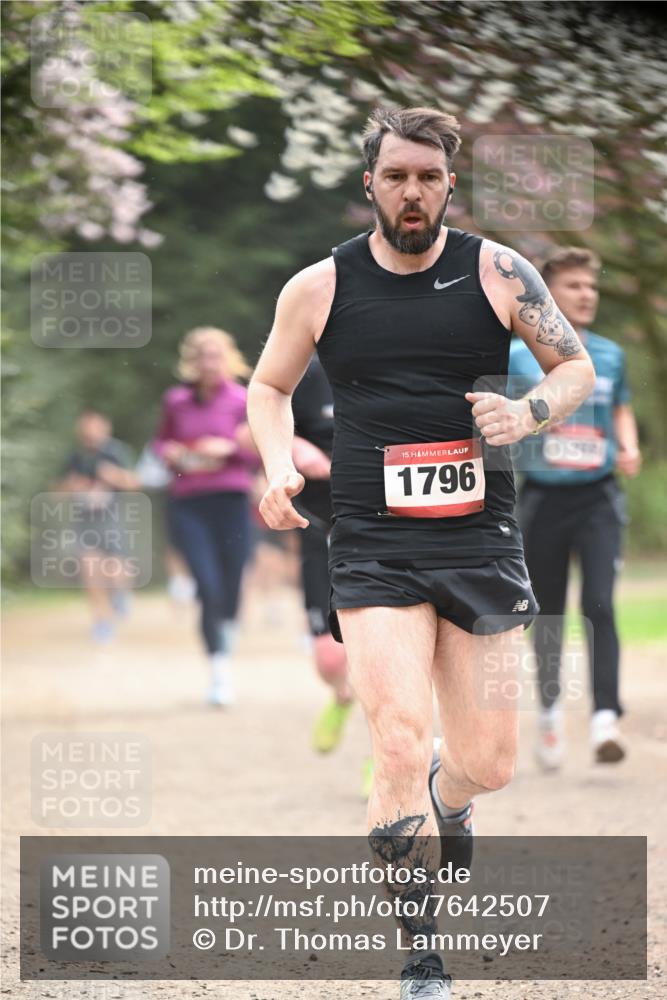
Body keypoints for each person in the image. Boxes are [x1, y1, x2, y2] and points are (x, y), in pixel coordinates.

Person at [247, 106, 595, 997]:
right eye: (396, 175)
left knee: (489, 760)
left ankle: (454, 797)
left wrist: (527, 414)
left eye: (429, 177)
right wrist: (278, 462)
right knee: (397, 742)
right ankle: (420, 953)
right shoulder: (318, 287)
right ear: (369, 182)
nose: (412, 192)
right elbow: (269, 385)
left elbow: (575, 367)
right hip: (370, 542)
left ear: (449, 185)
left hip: (479, 535)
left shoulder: (498, 271)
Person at [508, 247, 641, 769]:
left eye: (592, 286)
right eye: (574, 286)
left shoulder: (610, 355)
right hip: (542, 499)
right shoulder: (518, 357)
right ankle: (549, 712)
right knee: (549, 615)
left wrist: (627, 445)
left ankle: (606, 717)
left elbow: (621, 409)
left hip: (599, 496)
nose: (587, 294)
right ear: (548, 296)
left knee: (602, 604)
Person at [153, 327, 259, 706]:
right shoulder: (176, 400)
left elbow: (259, 450)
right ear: (191, 361)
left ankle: (225, 635)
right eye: (202, 357)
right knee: (207, 584)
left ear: (227, 359)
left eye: (216, 356)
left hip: (231, 500)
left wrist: (228, 448)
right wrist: (174, 453)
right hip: (189, 502)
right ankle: (218, 670)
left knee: (230, 585)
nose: (209, 363)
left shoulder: (242, 399)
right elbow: (160, 441)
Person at [290, 358, 361, 761]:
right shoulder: (304, 369)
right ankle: (341, 694)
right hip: (319, 528)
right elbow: (250, 428)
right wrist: (295, 446)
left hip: (381, 530)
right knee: (330, 657)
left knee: (388, 657)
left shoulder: (390, 362)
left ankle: (386, 759)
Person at [55, 410, 136, 643]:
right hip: (84, 521)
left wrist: (113, 477)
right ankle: (102, 621)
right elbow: (57, 491)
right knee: (90, 571)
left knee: (116, 570)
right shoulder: (75, 457)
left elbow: (135, 483)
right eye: (86, 433)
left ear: (105, 430)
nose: (91, 437)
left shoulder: (116, 452)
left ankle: (120, 595)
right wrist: (71, 486)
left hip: (113, 520)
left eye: (95, 432)